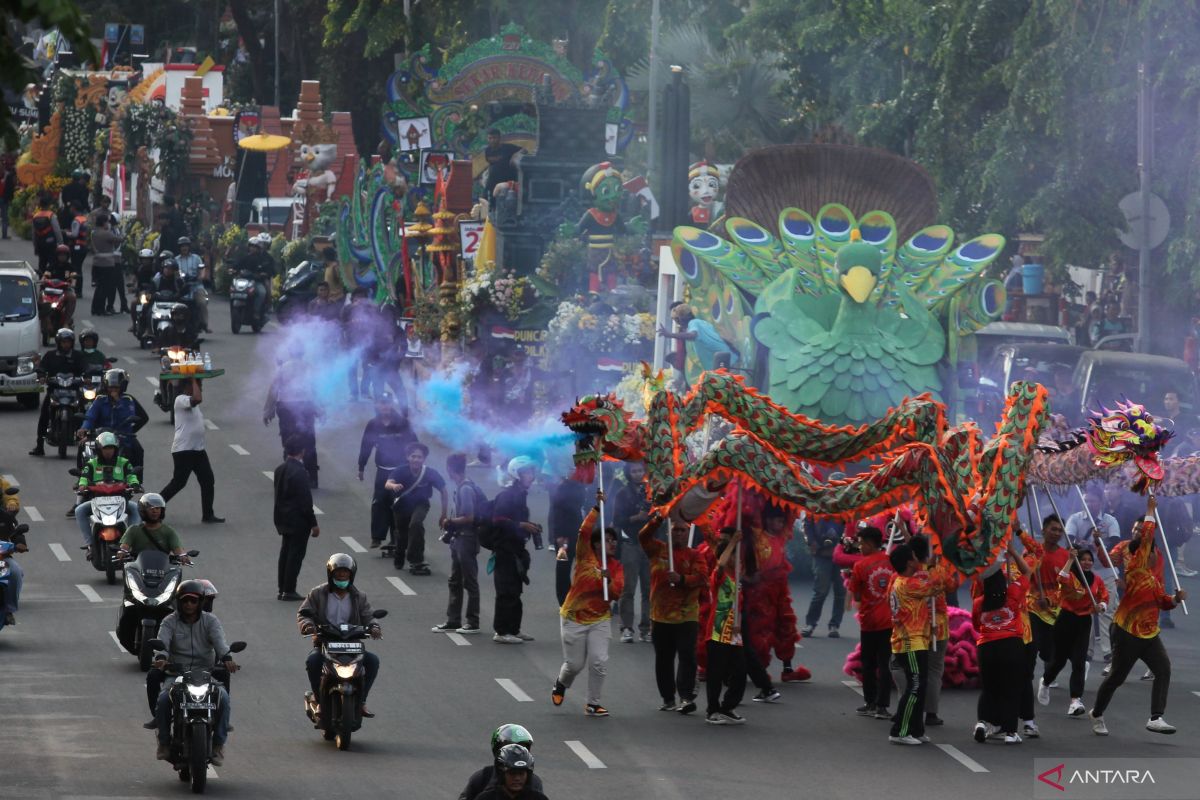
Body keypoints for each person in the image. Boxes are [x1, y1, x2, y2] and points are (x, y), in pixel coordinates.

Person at [1089, 497, 1187, 736]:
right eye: (1136, 530)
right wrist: (1151, 510)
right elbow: (1108, 559)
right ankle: (1097, 712)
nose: (1136, 533)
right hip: (1127, 629)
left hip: (1150, 631)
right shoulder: (1135, 562)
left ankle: (1156, 717)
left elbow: (1161, 598)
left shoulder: (1157, 564)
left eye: (1140, 531)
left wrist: (1175, 599)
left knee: (1163, 669)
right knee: (1117, 677)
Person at [551, 489, 623, 716]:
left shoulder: (617, 568)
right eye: (607, 540)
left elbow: (616, 593)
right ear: (596, 543)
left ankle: (593, 703)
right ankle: (561, 683)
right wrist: (597, 508)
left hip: (600, 619)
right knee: (574, 665)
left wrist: (608, 579)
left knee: (599, 662)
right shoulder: (585, 555)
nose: (612, 544)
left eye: (614, 541)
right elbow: (583, 531)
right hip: (574, 617)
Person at [151, 580, 238, 765]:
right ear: (178, 602)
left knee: (223, 698)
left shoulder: (211, 621)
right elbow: (162, 644)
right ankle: (164, 743)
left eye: (193, 601)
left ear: (201, 602)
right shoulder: (169, 621)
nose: (189, 604)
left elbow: (221, 644)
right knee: (164, 700)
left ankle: (218, 744)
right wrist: (161, 658)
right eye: (185, 601)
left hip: (205, 674)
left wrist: (228, 659)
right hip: (177, 674)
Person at [298, 553, 382, 718]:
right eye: (338, 573)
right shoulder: (317, 593)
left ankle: (362, 702)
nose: (342, 576)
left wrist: (374, 627)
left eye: (345, 573)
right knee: (313, 661)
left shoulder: (359, 597)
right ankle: (320, 700)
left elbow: (369, 616)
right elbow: (304, 614)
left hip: (352, 643)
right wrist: (307, 625)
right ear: (331, 574)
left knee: (372, 661)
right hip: (325, 642)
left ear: (352, 575)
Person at [887, 542, 953, 745]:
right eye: (915, 558)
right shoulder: (908, 584)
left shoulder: (901, 581)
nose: (919, 560)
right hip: (910, 642)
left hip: (916, 640)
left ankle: (916, 729)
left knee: (920, 686)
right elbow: (937, 585)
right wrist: (934, 566)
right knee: (915, 686)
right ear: (909, 562)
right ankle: (899, 731)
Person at [641, 514, 705, 713]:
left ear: (688, 533)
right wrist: (659, 517)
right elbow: (643, 537)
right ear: (669, 531)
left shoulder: (695, 555)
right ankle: (668, 697)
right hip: (660, 614)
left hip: (686, 615)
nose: (678, 533)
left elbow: (702, 578)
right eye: (675, 529)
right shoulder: (658, 550)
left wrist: (681, 579)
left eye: (682, 530)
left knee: (687, 655)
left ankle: (686, 696)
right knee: (664, 658)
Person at [972, 538, 1034, 744]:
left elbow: (975, 625)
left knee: (989, 688)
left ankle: (981, 723)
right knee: (1011, 689)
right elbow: (1027, 572)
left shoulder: (979, 602)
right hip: (1011, 646)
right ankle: (1010, 732)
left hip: (986, 647)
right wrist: (1014, 552)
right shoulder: (1013, 595)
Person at [1037, 547, 1109, 716]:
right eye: (1083, 559)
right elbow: (1061, 578)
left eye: (1090, 559)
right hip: (1065, 620)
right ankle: (1046, 682)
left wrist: (1101, 606)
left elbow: (1103, 596)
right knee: (1059, 661)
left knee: (1079, 661)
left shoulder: (1097, 579)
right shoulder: (1071, 576)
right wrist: (1070, 559)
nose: (1087, 562)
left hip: (1084, 622)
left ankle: (1075, 701)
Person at [910, 534, 961, 728]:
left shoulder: (909, 572)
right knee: (933, 670)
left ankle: (910, 708)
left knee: (914, 669)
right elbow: (952, 586)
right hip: (938, 627)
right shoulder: (938, 571)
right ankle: (931, 713)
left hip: (915, 627)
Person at [1065, 484, 1120, 661]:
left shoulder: (1110, 521)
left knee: (1107, 611)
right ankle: (1086, 650)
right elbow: (1070, 541)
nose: (1089, 504)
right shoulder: (1075, 519)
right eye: (1086, 500)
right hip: (1084, 574)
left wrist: (1098, 543)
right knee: (1086, 611)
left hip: (1106, 573)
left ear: (1101, 502)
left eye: (1092, 501)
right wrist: (1081, 546)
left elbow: (1114, 545)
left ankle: (1107, 650)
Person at [492, 456, 543, 643]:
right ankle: (501, 631)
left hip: (517, 549)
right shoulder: (507, 495)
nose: (531, 475)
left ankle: (514, 629)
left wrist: (529, 526)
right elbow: (498, 520)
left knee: (516, 591)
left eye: (531, 471)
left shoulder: (521, 494)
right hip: (505, 550)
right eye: (527, 472)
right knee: (506, 591)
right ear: (517, 474)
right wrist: (522, 525)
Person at [159, 378, 223, 524]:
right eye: (198, 385)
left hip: (198, 450)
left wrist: (195, 381)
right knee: (179, 483)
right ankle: (152, 507)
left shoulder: (191, 404)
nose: (200, 388)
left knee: (208, 480)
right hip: (184, 450)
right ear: (186, 386)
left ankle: (208, 514)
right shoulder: (180, 400)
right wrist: (194, 379)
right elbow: (198, 398)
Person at [358, 393, 418, 548]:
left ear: (392, 404)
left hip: (401, 472)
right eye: (382, 403)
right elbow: (366, 446)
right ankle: (377, 537)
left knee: (397, 505)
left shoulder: (403, 423)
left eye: (387, 403)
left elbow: (414, 444)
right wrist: (361, 467)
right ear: (377, 405)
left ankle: (396, 538)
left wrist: (414, 466)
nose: (385, 406)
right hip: (383, 471)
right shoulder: (373, 424)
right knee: (379, 503)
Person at [433, 453, 483, 634]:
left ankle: (473, 621)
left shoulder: (465, 489)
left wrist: (450, 522)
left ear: (449, 469)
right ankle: (453, 620)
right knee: (454, 580)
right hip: (459, 539)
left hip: (467, 538)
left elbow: (469, 517)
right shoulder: (462, 486)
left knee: (470, 581)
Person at [848, 526, 895, 719]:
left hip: (869, 621)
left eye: (861, 543)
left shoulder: (860, 566)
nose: (859, 547)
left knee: (868, 663)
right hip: (890, 621)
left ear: (869, 543)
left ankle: (870, 702)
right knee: (885, 663)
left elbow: (857, 595)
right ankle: (882, 706)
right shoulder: (892, 561)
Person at [705, 527, 747, 725]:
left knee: (740, 672)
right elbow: (721, 563)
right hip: (717, 630)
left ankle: (728, 707)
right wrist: (733, 542)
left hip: (734, 632)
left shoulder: (737, 580)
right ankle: (712, 710)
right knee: (716, 672)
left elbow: (737, 606)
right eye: (733, 556)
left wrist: (738, 624)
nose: (735, 560)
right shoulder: (718, 576)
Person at [384, 442, 447, 576]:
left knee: (416, 524)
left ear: (424, 459)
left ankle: (416, 559)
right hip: (401, 506)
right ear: (408, 457)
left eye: (419, 457)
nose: (416, 459)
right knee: (402, 534)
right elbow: (388, 483)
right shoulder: (401, 470)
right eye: (413, 456)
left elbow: (444, 490)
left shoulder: (430, 473)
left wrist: (444, 514)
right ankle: (399, 555)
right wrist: (394, 486)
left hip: (421, 504)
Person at [264, 345, 322, 487]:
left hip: (287, 408)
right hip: (306, 407)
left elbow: (273, 390)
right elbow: (316, 390)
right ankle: (312, 478)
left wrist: (268, 411)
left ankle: (289, 476)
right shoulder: (309, 367)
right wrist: (321, 410)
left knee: (288, 441)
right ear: (303, 352)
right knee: (309, 442)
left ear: (291, 352)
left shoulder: (283, 368)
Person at [74, 431, 142, 549]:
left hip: (120, 500)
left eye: (111, 448)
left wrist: (135, 484)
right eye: (105, 448)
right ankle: (90, 544)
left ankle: (131, 541)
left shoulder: (124, 463)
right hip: (98, 501)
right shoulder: (91, 464)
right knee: (79, 510)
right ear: (99, 449)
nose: (109, 451)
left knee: (136, 508)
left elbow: (131, 476)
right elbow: (84, 478)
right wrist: (82, 486)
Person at [274, 435, 320, 601]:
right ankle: (289, 589)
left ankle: (282, 588)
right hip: (298, 520)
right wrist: (314, 524)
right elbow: (305, 501)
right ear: (302, 451)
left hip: (282, 518)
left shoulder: (280, 469)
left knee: (285, 553)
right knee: (295, 555)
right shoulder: (300, 472)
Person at [29, 328, 86, 456]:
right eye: (63, 342)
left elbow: (85, 368)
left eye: (68, 342)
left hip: (73, 391)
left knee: (85, 414)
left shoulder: (78, 356)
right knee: (44, 414)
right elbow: (42, 367)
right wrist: (42, 375)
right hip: (55, 391)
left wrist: (87, 376)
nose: (66, 344)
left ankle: (87, 445)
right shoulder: (50, 355)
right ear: (58, 342)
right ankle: (39, 445)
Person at [79, 367, 148, 471]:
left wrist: (118, 403)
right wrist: (84, 428)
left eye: (116, 388)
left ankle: (136, 482)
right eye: (111, 387)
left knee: (138, 450)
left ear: (122, 387)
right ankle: (81, 478)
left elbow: (129, 416)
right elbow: (90, 416)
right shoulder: (100, 399)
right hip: (100, 435)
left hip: (122, 436)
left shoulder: (128, 400)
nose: (113, 390)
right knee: (82, 446)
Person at [614, 462, 653, 643]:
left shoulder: (652, 491)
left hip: (651, 544)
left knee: (649, 589)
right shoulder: (623, 493)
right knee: (628, 588)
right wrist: (636, 517)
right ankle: (626, 627)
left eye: (640, 470)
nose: (638, 474)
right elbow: (618, 520)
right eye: (634, 471)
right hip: (630, 544)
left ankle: (646, 627)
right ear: (628, 473)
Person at [459, 725, 545, 800]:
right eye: (512, 773)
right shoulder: (482, 778)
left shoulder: (535, 784)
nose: (517, 778)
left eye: (521, 748)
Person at [657, 301, 740, 371]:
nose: (678, 322)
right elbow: (719, 338)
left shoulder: (693, 323)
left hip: (725, 363)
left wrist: (669, 335)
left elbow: (693, 335)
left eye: (678, 319)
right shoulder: (702, 323)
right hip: (727, 361)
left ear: (686, 316)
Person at [802, 513, 846, 637]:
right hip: (822, 554)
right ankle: (810, 623)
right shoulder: (816, 503)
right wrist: (812, 542)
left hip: (842, 554)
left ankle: (834, 625)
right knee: (820, 591)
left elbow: (851, 525)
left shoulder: (846, 503)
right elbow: (807, 525)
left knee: (840, 592)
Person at [549, 474, 587, 605]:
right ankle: (564, 601)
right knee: (563, 568)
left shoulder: (583, 486)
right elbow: (557, 513)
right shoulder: (563, 488)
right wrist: (559, 535)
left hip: (581, 534)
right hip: (564, 537)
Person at [117, 493, 189, 560]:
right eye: (151, 508)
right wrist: (122, 552)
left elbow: (178, 550)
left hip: (163, 570)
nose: (155, 511)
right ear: (143, 511)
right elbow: (124, 547)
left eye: (157, 508)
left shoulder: (169, 531)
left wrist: (182, 556)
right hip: (138, 570)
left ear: (162, 511)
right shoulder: (133, 530)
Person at [474, 744, 547, 800]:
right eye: (512, 773)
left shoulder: (539, 798)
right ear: (501, 774)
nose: (517, 778)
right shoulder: (486, 798)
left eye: (521, 774)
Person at [0, 477, 27, 625]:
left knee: (16, 572)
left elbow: (16, 532)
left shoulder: (4, 516)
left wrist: (20, 543)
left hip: (2, 558)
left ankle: (9, 610)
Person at [174, 236, 211, 333]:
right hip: (182, 288)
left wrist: (200, 277)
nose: (184, 248)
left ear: (189, 247)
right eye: (182, 246)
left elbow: (202, 269)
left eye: (186, 246)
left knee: (201, 302)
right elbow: (174, 273)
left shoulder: (196, 258)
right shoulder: (176, 260)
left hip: (196, 286)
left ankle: (204, 324)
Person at [235, 233, 274, 322]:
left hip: (257, 281)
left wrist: (264, 274)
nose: (253, 248)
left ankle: (258, 311)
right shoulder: (245, 256)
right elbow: (238, 264)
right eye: (252, 246)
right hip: (245, 280)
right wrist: (233, 269)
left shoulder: (266, 258)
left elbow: (270, 270)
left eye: (255, 247)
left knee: (262, 292)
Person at [89, 213, 122, 315]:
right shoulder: (106, 233)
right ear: (103, 223)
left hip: (97, 263)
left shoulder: (94, 233)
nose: (108, 224)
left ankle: (95, 308)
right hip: (107, 264)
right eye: (107, 221)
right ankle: (101, 309)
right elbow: (119, 239)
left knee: (99, 287)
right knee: (105, 288)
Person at [39, 244, 78, 331]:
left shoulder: (70, 267)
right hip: (50, 291)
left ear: (67, 256)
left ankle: (66, 322)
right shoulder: (52, 266)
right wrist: (43, 280)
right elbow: (45, 276)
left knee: (72, 297)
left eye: (64, 255)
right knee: (40, 296)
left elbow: (74, 277)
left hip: (64, 291)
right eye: (60, 255)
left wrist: (73, 284)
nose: (62, 257)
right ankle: (46, 320)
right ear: (57, 255)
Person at [483, 128, 523, 198]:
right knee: (486, 197)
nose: (492, 140)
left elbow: (524, 150)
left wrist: (515, 156)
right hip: (493, 179)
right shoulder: (487, 151)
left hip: (507, 179)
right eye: (490, 138)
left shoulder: (508, 148)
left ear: (499, 138)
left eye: (494, 138)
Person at [30, 194, 63, 273]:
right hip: (51, 244)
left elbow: (33, 233)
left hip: (40, 244)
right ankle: (51, 281)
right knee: (53, 263)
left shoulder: (35, 216)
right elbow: (57, 230)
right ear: (48, 205)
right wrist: (61, 242)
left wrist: (35, 245)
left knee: (42, 263)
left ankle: (42, 281)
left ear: (40, 205)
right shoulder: (51, 215)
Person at [0, 159, 15, 239]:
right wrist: (10, 198)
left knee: (4, 217)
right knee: (4, 217)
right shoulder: (7, 175)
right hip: (4, 199)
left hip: (3, 198)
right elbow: (10, 188)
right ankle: (4, 235)